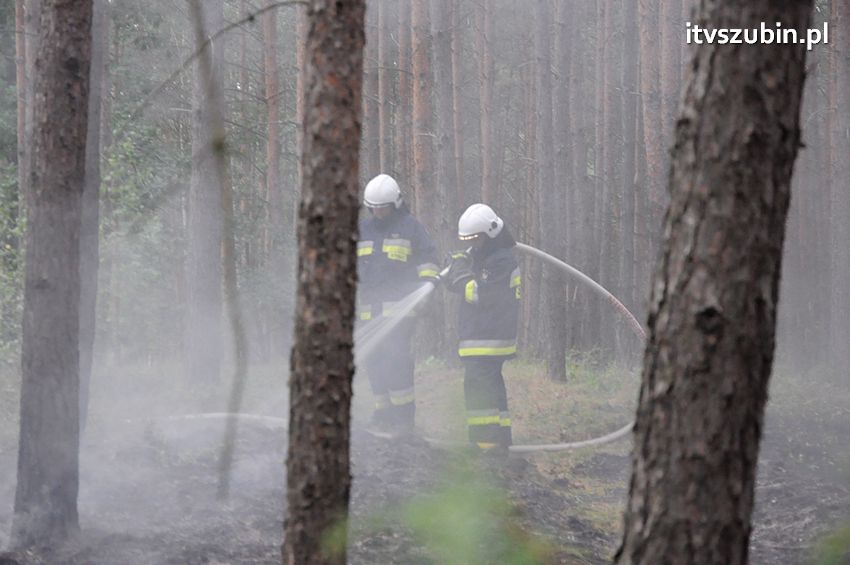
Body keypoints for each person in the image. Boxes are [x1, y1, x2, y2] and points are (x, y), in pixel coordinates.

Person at [357, 174, 439, 434]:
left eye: (384, 208)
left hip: (401, 313)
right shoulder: (362, 230)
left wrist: (426, 291)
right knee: (374, 361)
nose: (379, 213)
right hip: (368, 310)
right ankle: (383, 412)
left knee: (397, 362)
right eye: (375, 208)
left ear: (396, 204)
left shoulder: (411, 228)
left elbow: (427, 261)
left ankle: (403, 418)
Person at [443, 203, 521, 452]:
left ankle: (486, 447)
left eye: (476, 239)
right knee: (492, 389)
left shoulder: (501, 260)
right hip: (484, 337)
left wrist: (461, 274)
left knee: (479, 392)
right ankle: (500, 443)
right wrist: (456, 269)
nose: (473, 244)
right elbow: (462, 283)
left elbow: (478, 293)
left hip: (488, 338)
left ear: (490, 234)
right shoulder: (487, 255)